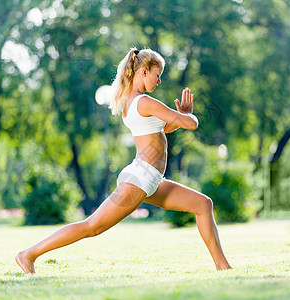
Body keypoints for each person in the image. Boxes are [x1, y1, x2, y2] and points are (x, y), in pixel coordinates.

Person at [15, 48, 232, 274]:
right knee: (92, 227)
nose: (159, 80)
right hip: (140, 178)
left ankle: (222, 266)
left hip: (151, 180)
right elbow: (191, 124)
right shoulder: (145, 101)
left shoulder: (134, 101)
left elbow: (164, 128)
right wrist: (188, 114)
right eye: (157, 75)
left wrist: (182, 117)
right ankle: (28, 255)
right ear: (144, 71)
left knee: (203, 204)